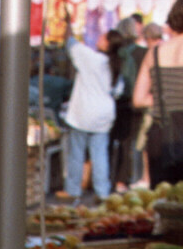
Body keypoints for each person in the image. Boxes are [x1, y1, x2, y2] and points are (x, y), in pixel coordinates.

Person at [62, 30, 118, 203]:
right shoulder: (115, 65)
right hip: (104, 115)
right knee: (100, 155)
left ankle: (73, 191)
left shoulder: (91, 58)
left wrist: (69, 27)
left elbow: (71, 44)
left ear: (107, 43)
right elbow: (118, 91)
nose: (98, 38)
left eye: (102, 37)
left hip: (83, 113)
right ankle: (102, 192)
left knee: (76, 154)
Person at [134, 0, 183, 187]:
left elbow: (139, 99)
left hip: (161, 139)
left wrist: (165, 97)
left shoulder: (154, 52)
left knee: (163, 206)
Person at [112, 18, 147, 189]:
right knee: (132, 143)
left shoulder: (115, 51)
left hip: (117, 102)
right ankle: (127, 179)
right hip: (137, 103)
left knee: (114, 141)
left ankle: (113, 178)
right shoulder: (143, 53)